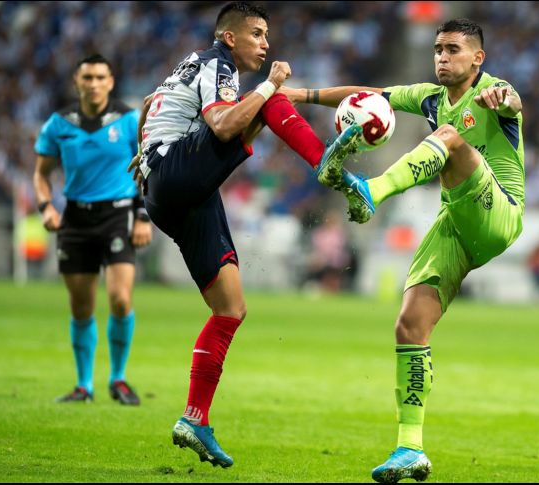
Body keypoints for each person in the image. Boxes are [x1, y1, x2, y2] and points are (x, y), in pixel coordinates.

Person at [282, 18, 525, 483]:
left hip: (500, 212)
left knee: (448, 138)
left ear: (478, 58)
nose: (442, 57)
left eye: (453, 49)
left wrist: (504, 100)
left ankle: (371, 190)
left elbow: (513, 102)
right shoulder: (430, 97)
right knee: (410, 325)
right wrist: (303, 95)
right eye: (438, 49)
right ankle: (410, 449)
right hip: (456, 222)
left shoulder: (495, 90)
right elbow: (369, 95)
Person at [129, 1, 361, 469]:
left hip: (175, 195)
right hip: (177, 175)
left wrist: (144, 150)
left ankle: (194, 418)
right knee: (268, 99)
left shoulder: (190, 65)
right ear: (230, 37)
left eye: (267, 34)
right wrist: (271, 84)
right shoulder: (219, 63)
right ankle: (326, 165)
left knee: (230, 308)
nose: (265, 43)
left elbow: (150, 104)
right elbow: (222, 125)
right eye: (257, 33)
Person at [33, 54, 153, 406]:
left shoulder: (129, 120)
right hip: (75, 219)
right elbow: (41, 174)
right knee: (81, 307)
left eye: (101, 77)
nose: (94, 84)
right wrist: (45, 206)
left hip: (117, 215)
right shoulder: (59, 124)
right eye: (87, 78)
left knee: (120, 299)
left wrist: (142, 216)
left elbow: (148, 169)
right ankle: (84, 386)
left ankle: (118, 378)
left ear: (111, 81)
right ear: (77, 81)